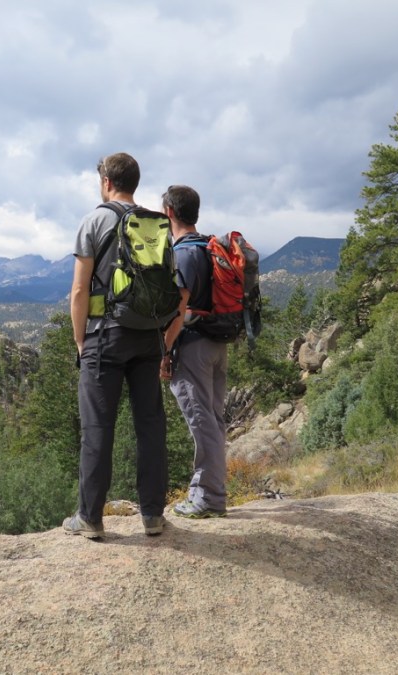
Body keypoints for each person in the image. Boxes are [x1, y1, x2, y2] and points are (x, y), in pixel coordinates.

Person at [62, 152, 170, 539]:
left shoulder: (95, 220)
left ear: (107, 182)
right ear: (134, 183)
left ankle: (89, 517)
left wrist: (80, 340)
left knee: (98, 427)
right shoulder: (156, 224)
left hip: (104, 336)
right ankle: (153, 516)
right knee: (150, 424)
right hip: (147, 334)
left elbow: (79, 289)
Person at [160, 184, 228, 518]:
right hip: (217, 344)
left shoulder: (184, 253)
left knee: (201, 422)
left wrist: (163, 351)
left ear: (169, 212)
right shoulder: (207, 247)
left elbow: (178, 310)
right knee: (213, 420)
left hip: (194, 349)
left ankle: (208, 499)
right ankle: (213, 493)